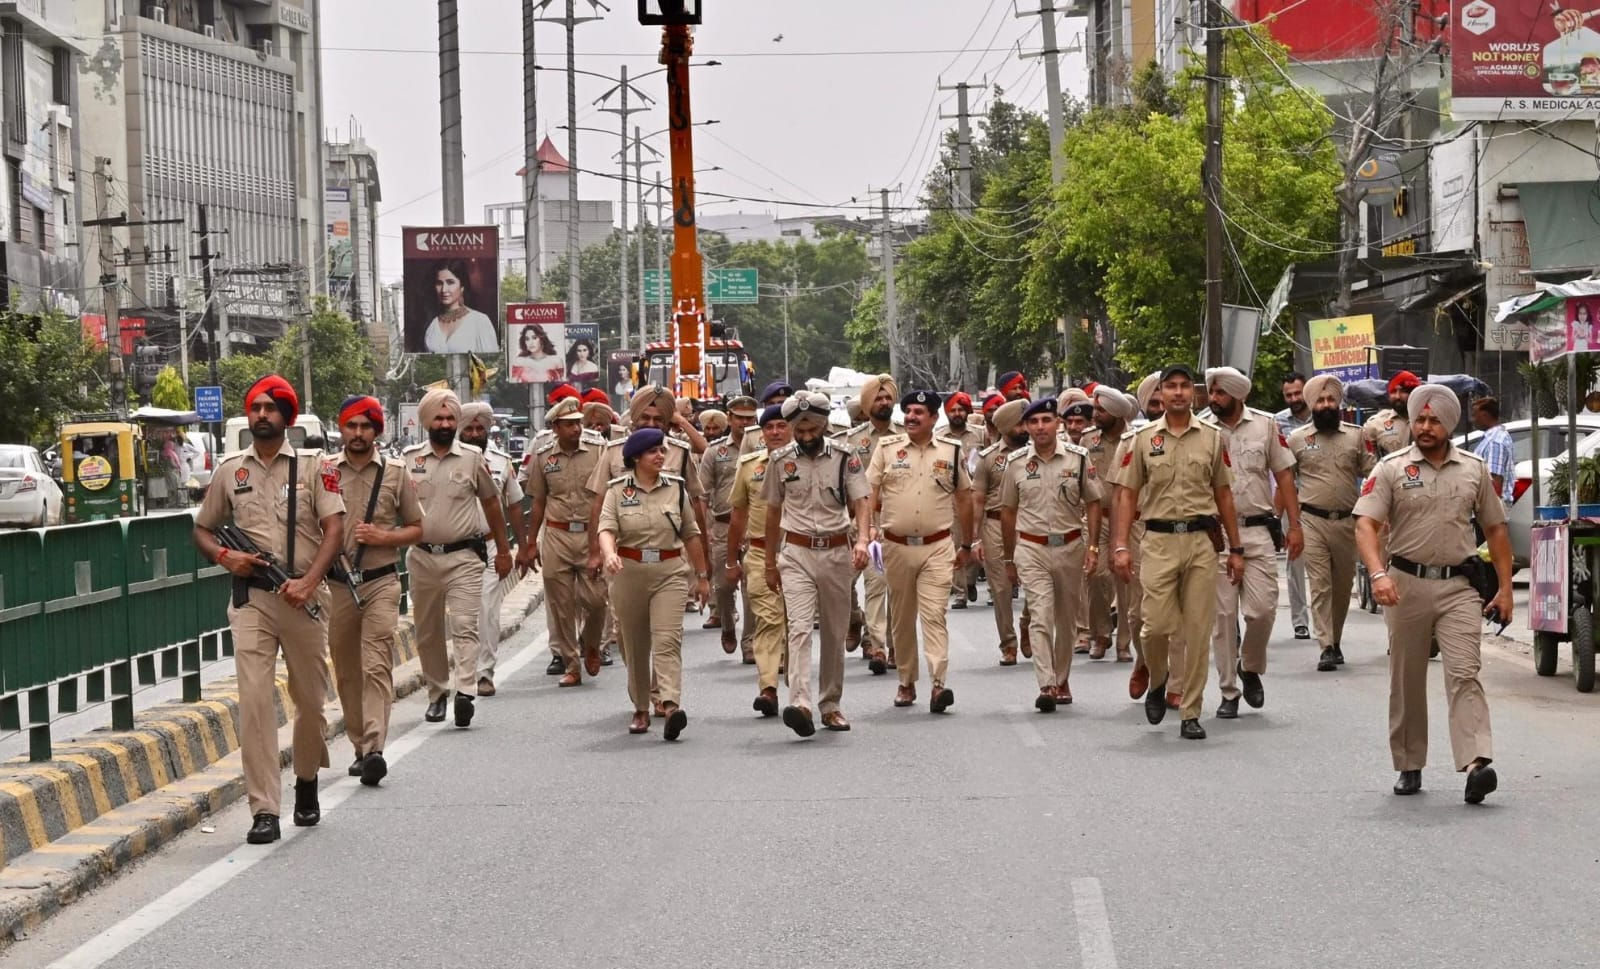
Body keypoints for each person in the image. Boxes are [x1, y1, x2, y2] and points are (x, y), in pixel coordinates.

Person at [193, 375, 343, 844]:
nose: (261, 414)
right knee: (255, 703)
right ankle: (264, 809)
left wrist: (309, 581)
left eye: (270, 408)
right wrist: (224, 557)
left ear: (286, 417)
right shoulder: (229, 471)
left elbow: (334, 528)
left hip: (304, 597)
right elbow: (203, 528)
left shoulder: (315, 467)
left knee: (312, 703)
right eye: (255, 407)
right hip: (253, 599)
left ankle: (306, 780)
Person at [1354, 383, 1511, 803]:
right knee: (1406, 679)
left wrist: (1507, 589)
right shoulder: (1390, 468)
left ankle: (1477, 762)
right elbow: (1365, 525)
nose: (1424, 427)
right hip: (1404, 586)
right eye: (1419, 419)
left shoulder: (1474, 470)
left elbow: (1495, 528)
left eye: (1434, 420)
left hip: (1459, 587)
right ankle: (1409, 763)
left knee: (1464, 672)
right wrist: (1377, 574)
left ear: (1450, 425)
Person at [1111, 365, 1245, 741]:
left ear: (1194, 394)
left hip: (1202, 541)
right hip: (1157, 541)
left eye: (1186, 386)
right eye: (1171, 387)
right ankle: (1157, 680)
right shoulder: (1142, 440)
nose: (1179, 393)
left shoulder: (1213, 439)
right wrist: (1120, 546)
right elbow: (1127, 495)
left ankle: (1190, 710)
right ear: (1161, 393)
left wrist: (1236, 549)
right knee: (1154, 626)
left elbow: (1224, 495)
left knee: (1199, 629)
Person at [325, 395, 424, 788]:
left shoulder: (396, 473)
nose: (359, 433)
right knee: (347, 672)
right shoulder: (325, 472)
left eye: (366, 426)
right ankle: (358, 744)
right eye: (352, 426)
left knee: (376, 664)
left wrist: (385, 535)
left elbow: (418, 527)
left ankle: (375, 748)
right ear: (342, 429)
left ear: (376, 431)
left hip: (382, 580)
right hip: (337, 586)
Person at [402, 388, 514, 729]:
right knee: (428, 631)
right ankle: (437, 693)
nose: (445, 423)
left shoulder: (471, 458)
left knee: (466, 625)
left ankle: (465, 691)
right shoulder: (408, 460)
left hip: (464, 556)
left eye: (451, 418)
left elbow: (493, 504)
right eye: (439, 417)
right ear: (426, 422)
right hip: (421, 558)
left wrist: (506, 551)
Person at [762, 391, 872, 736]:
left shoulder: (845, 457)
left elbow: (862, 500)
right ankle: (800, 703)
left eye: (812, 430)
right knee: (798, 628)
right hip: (795, 552)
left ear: (823, 425)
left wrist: (864, 539)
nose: (806, 437)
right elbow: (772, 511)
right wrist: (768, 562)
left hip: (838, 551)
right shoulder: (780, 461)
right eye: (800, 431)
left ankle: (830, 705)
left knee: (834, 631)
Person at [597, 428, 712, 739]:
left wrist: (702, 578)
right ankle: (641, 709)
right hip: (629, 571)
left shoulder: (676, 489)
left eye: (662, 450)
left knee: (667, 639)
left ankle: (671, 703)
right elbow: (606, 528)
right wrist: (609, 555)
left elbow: (691, 534)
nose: (661, 456)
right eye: (653, 452)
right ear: (636, 457)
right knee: (633, 644)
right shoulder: (617, 491)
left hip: (670, 571)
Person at [868, 389, 975, 714]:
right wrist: (868, 531)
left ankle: (939, 683)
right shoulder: (887, 450)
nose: (912, 417)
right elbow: (870, 493)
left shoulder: (952, 451)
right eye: (909, 412)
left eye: (919, 412)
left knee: (934, 616)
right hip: (896, 547)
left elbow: (965, 500)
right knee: (901, 618)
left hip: (937, 546)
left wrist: (967, 544)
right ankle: (906, 682)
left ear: (933, 418)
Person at [1205, 367, 1302, 720]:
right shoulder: (1204, 431)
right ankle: (1228, 690)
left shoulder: (1266, 425)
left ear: (1237, 394)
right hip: (1215, 535)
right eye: (1211, 392)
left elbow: (1284, 475)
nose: (1213, 398)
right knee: (1223, 615)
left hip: (1258, 530)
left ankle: (1250, 666)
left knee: (1260, 611)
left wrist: (1296, 526)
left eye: (1220, 393)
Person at [1000, 397, 1103, 710]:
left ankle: (1062, 676)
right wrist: (1009, 557)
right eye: (1033, 422)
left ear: (1058, 423)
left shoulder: (1079, 458)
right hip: (1031, 548)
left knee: (1067, 619)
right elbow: (1007, 511)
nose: (1040, 427)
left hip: (1071, 545)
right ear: (1027, 427)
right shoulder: (1016, 463)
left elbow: (1094, 502)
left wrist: (1094, 547)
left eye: (1046, 420)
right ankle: (1047, 684)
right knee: (1041, 616)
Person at [1288, 373, 1374, 672]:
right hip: (1312, 520)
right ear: (1311, 405)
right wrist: (1286, 523)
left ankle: (1335, 640)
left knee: (1341, 585)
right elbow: (1285, 481)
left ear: (1338, 403)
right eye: (1320, 400)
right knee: (1321, 586)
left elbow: (1372, 474)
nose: (1326, 405)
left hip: (1348, 521)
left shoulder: (1357, 435)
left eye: (1330, 400)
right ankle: (1325, 645)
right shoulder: (1297, 439)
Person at [522, 397, 609, 686]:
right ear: (556, 427)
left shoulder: (598, 450)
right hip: (557, 534)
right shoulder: (544, 456)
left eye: (578, 423)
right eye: (569, 424)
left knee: (596, 600)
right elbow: (538, 502)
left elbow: (608, 495)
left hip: (591, 534)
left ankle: (592, 642)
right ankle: (572, 664)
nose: (576, 429)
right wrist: (530, 542)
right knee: (561, 605)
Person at [727, 403, 792, 716]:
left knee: (796, 624)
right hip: (757, 552)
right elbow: (737, 516)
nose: (776, 432)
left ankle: (798, 685)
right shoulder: (749, 465)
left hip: (800, 551)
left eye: (781, 426)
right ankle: (768, 687)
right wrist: (730, 560)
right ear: (762, 433)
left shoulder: (806, 463)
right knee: (768, 619)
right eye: (770, 427)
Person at [459, 402, 526, 695]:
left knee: (487, 611)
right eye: (469, 429)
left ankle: (484, 672)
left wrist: (519, 548)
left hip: (487, 546)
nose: (474, 433)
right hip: (452, 548)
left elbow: (513, 505)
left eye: (479, 429)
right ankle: (462, 670)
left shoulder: (501, 462)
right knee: (463, 616)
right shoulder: (449, 461)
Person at [843, 374, 904, 673]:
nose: (884, 402)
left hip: (901, 523)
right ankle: (877, 646)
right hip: (867, 525)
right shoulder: (854, 441)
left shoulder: (906, 435)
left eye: (887, 397)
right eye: (878, 398)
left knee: (897, 588)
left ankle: (893, 646)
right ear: (867, 405)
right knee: (875, 582)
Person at [971, 399, 1032, 665]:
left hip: (1030, 523)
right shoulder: (988, 458)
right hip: (995, 525)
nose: (1024, 428)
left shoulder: (1036, 452)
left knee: (1036, 583)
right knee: (1001, 588)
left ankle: (1028, 622)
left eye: (1025, 422)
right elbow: (977, 499)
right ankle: (1008, 643)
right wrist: (975, 538)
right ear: (1006, 427)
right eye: (1019, 424)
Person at [1081, 385, 1138, 662]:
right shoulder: (1087, 440)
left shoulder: (1136, 438)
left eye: (1101, 411)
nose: (1095, 415)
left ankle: (1124, 642)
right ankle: (1100, 634)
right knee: (1097, 575)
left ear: (1116, 413)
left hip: (1129, 519)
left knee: (1126, 579)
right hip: (1097, 519)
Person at [695, 408, 743, 649]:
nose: (744, 423)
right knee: (723, 586)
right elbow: (701, 494)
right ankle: (727, 622)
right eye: (739, 418)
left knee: (756, 589)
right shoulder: (715, 452)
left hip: (754, 527)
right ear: (731, 420)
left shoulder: (764, 447)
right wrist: (703, 531)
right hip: (723, 526)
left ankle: (750, 643)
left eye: (749, 417)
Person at [1275, 372, 1314, 640]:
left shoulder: (1324, 416)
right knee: (1295, 560)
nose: (1293, 399)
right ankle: (1300, 620)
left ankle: (1327, 617)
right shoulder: (1277, 422)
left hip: (1321, 498)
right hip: (1292, 499)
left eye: (1297, 393)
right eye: (1288, 395)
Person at [944, 392, 985, 610]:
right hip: (951, 496)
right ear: (946, 412)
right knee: (956, 542)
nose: (957, 413)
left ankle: (969, 581)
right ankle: (959, 592)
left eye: (961, 409)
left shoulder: (980, 434)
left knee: (975, 539)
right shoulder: (939, 435)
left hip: (977, 494)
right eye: (953, 410)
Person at [423, 260, 498, 354]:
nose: (444, 290)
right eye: (439, 283)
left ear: (462, 286)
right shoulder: (432, 325)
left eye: (450, 282)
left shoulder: (479, 321)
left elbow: (489, 361)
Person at [1363, 370, 1420, 460]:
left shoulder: (1429, 421)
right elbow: (1369, 463)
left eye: (1403, 391)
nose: (1397, 396)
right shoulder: (1376, 424)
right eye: (1393, 391)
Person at [1470, 397, 1515, 504]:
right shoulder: (1496, 437)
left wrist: (1490, 513)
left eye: (1474, 415)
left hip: (1490, 509)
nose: (1473, 420)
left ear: (1484, 415)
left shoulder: (1495, 442)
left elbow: (1494, 481)